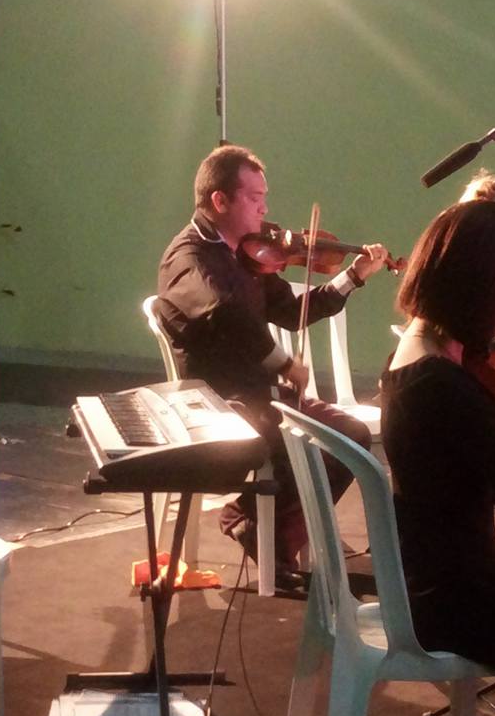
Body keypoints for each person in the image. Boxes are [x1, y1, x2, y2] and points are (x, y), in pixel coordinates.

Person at [154, 144, 389, 588]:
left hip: (263, 396)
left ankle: (255, 524)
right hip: (223, 403)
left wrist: (353, 277)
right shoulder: (188, 257)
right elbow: (225, 313)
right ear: (220, 200)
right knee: (317, 443)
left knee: (351, 437)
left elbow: (293, 311)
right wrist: (283, 362)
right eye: (255, 198)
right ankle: (267, 537)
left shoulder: (245, 255)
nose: (265, 209)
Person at [380, 199, 495, 685]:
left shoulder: (410, 357)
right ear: (479, 287)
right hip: (463, 606)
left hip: (437, 585)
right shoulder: (438, 383)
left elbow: (468, 453)